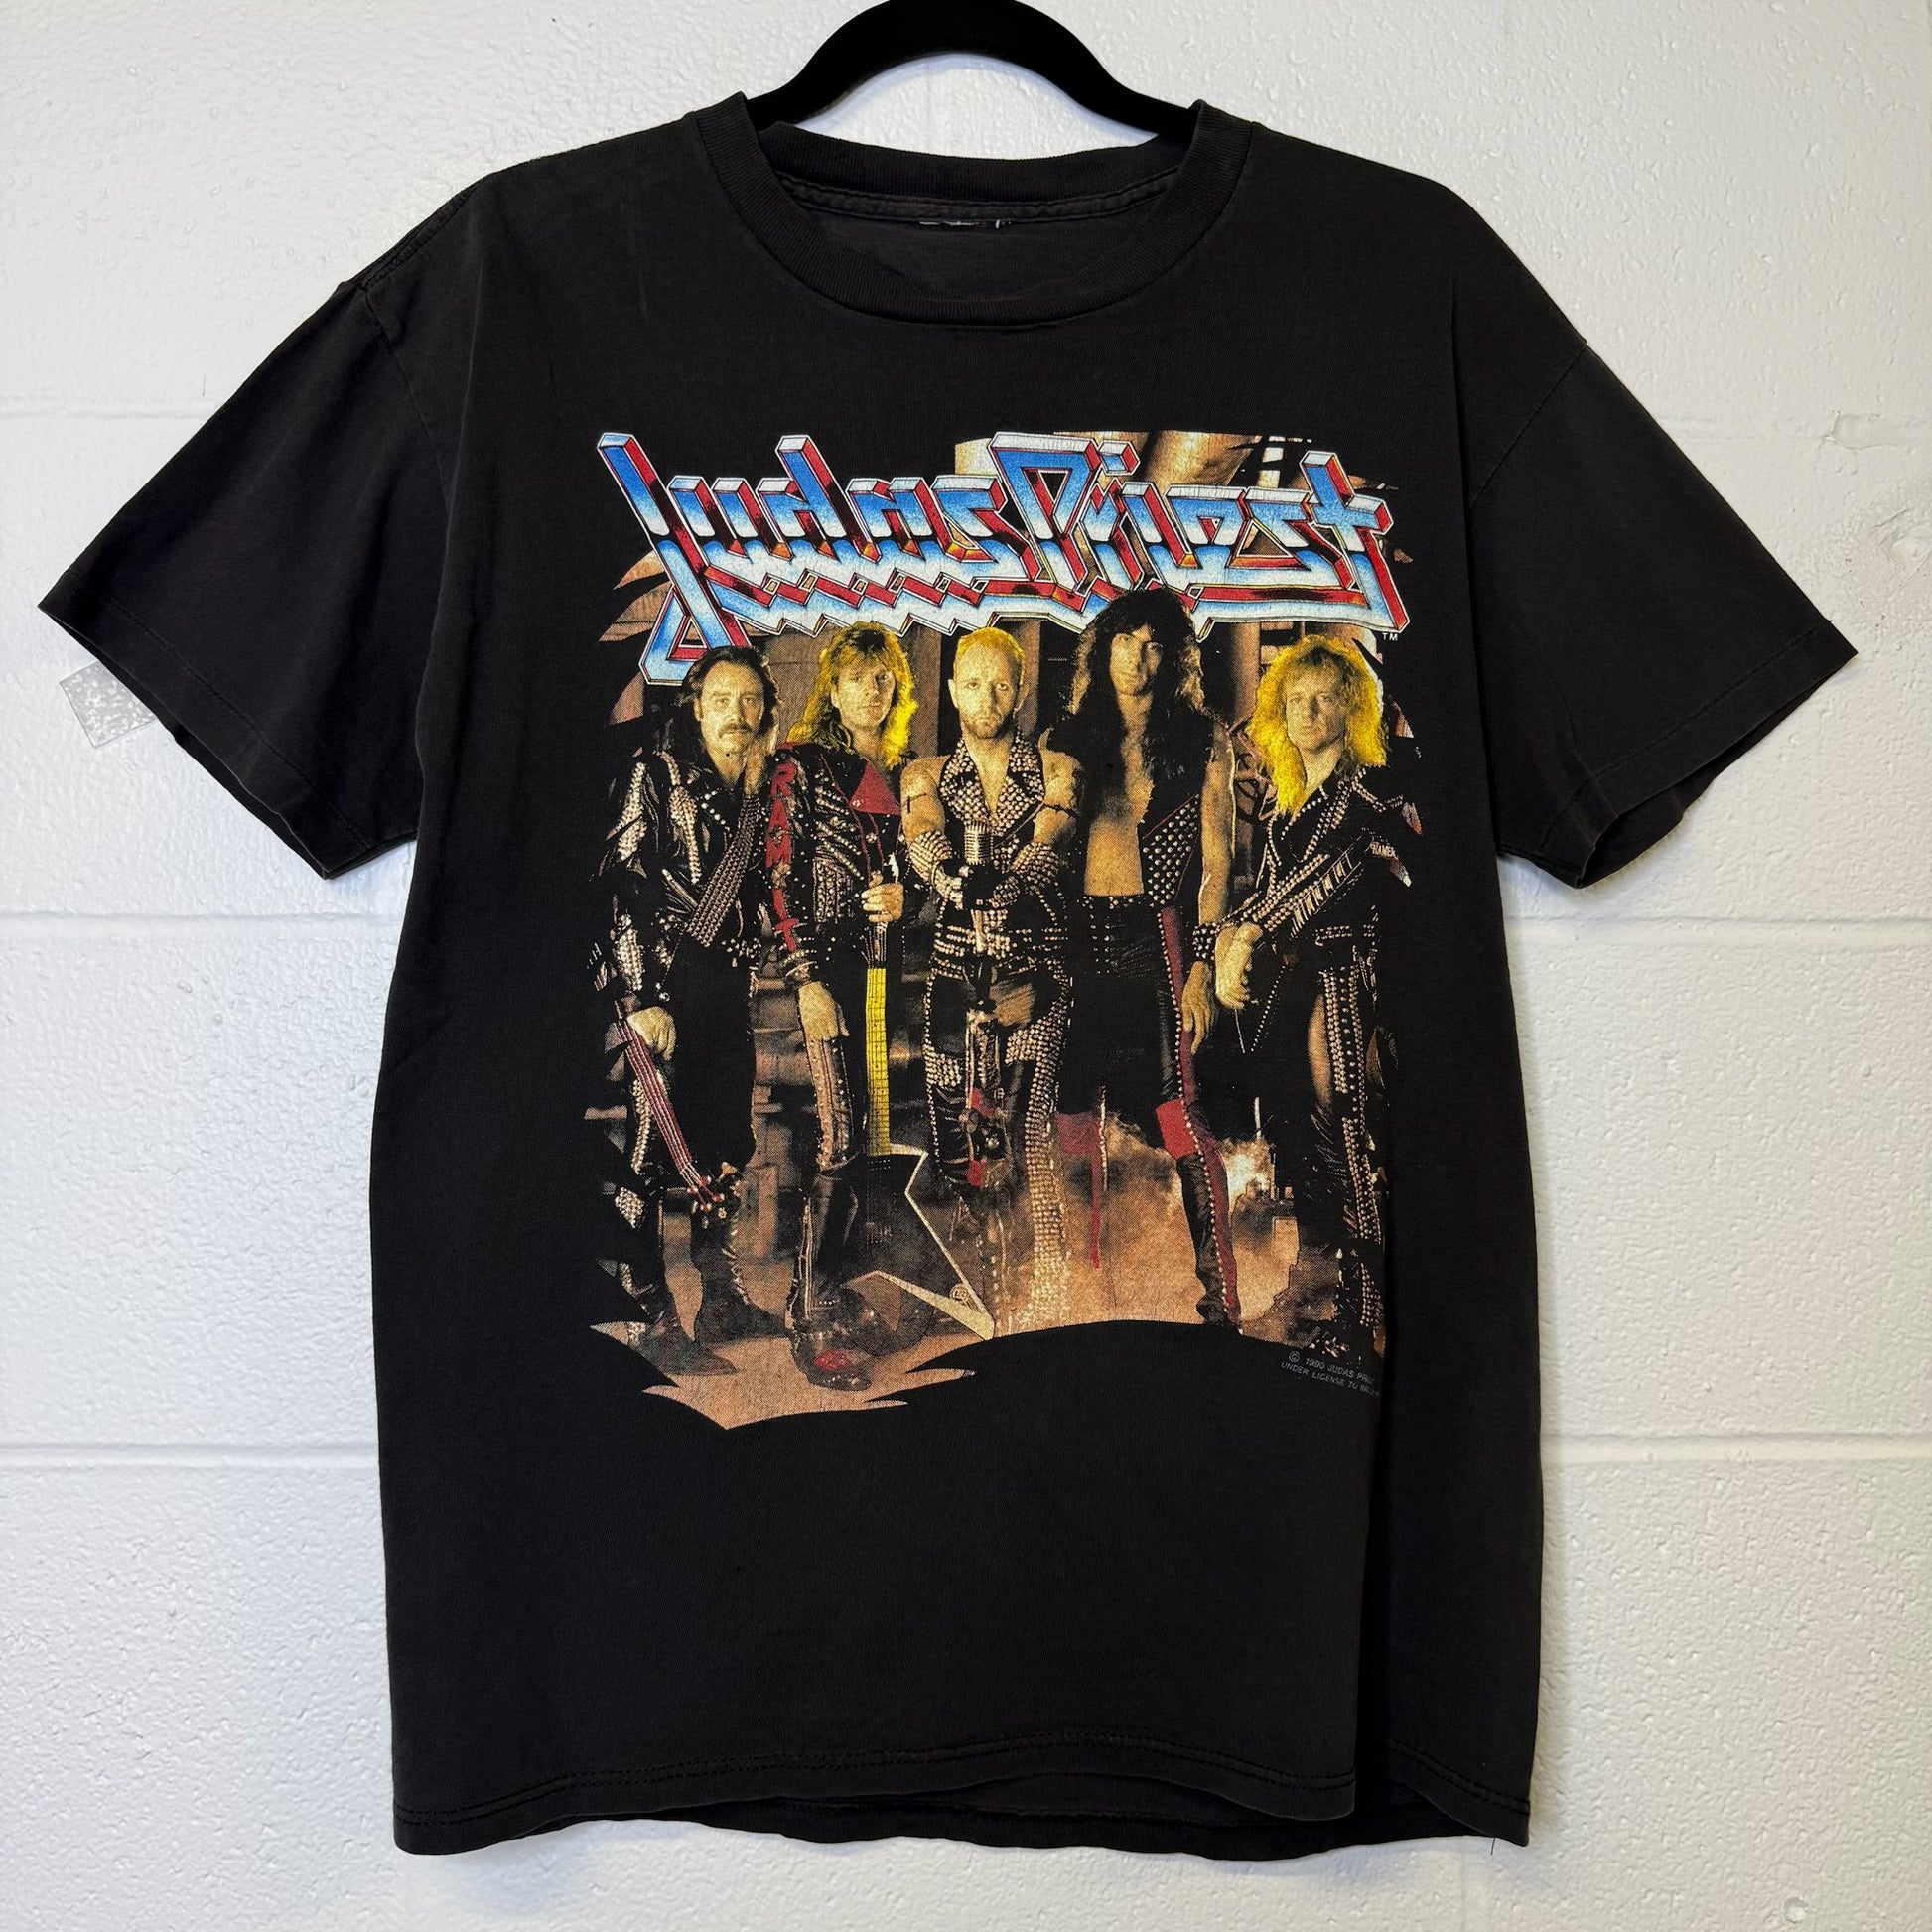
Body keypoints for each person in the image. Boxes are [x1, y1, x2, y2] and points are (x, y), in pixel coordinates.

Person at [1214, 633, 1419, 1373]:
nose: (1306, 711)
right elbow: (1271, 889)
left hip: (1351, 982)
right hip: (1294, 986)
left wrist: (1247, 934)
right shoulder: (1283, 807)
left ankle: (1367, 1320)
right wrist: (1234, 937)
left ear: (1350, 708)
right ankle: (1319, 1295)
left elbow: (1325, 879)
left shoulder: (1371, 794)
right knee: (1303, 1141)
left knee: (1352, 1141)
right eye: (1295, 698)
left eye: (1324, 698)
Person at [588, 643, 790, 1376]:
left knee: (725, 1144)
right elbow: (618, 884)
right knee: (649, 1154)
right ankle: (644, 1317)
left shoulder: (762, 787)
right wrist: (640, 999)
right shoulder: (655, 773)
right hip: (664, 989)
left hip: (726, 990)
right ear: (697, 707)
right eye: (722, 700)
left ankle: (722, 1299)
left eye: (750, 701)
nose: (737, 714)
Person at [1044, 586, 1241, 1325]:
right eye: (1126, 641)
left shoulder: (1202, 741)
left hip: (1155, 939)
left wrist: (1201, 968)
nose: (1139, 656)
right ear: (1103, 650)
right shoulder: (1066, 737)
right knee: (1071, 1114)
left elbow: (1218, 866)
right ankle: (1083, 1286)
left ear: (1174, 658)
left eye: (1155, 644)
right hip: (1075, 939)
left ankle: (1221, 1297)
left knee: (1177, 1112)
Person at [900, 626, 1084, 1330]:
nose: (986, 697)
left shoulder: (1056, 766)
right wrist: (950, 875)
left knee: (1027, 1131)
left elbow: (1053, 836)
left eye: (1001, 683)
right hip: (952, 975)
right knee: (955, 1134)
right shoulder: (925, 771)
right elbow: (922, 831)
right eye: (972, 683)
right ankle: (981, 1288)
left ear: (1021, 689)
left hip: (1031, 974)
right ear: (951, 690)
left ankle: (1049, 1292)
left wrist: (1006, 887)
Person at [764, 621, 917, 1390]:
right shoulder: (800, 764)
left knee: (869, 1141)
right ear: (833, 685)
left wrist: (905, 896)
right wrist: (806, 979)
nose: (871, 689)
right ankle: (808, 1315)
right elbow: (777, 877)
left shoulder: (897, 771)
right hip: (824, 975)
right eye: (857, 676)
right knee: (837, 1138)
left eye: (883, 677)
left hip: (879, 976)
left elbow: (908, 872)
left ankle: (833, 1291)